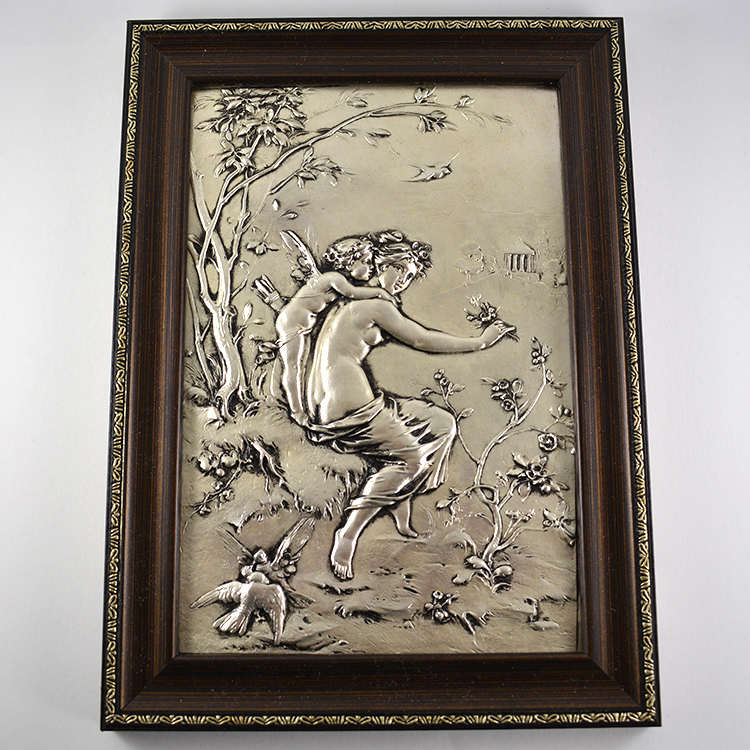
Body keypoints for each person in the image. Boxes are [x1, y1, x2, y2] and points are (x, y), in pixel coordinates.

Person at [303, 231, 516, 579]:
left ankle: (399, 499)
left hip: (341, 400)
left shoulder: (348, 301)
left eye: (410, 275)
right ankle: (348, 533)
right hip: (350, 407)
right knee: (411, 459)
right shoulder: (375, 305)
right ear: (380, 265)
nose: (404, 280)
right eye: (399, 270)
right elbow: (421, 339)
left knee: (442, 423)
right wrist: (480, 342)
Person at [274, 236, 397, 426]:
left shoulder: (333, 281)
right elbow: (352, 293)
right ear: (350, 261)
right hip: (292, 323)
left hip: (303, 324)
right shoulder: (334, 278)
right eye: (366, 262)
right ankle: (297, 412)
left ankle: (302, 408)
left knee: (303, 366)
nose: (371, 268)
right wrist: (380, 293)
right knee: (294, 367)